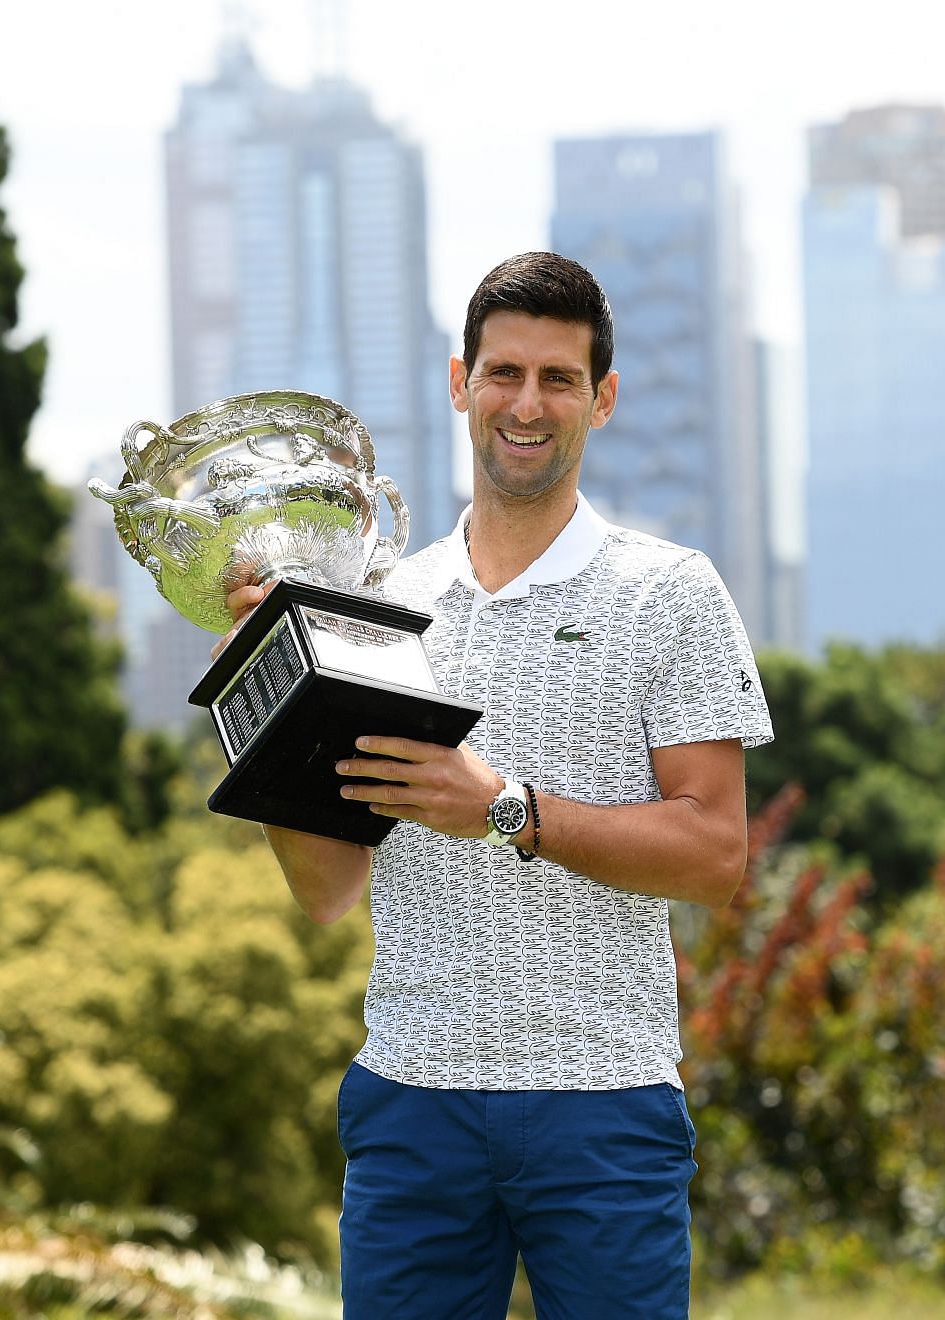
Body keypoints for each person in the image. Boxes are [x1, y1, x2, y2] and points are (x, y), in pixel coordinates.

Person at [221, 251, 772, 1317]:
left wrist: (506, 810)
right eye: (504, 373)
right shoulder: (377, 602)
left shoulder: (671, 594)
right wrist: (266, 699)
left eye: (558, 379)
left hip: (604, 1104)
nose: (527, 404)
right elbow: (327, 887)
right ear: (459, 382)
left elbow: (716, 859)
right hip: (412, 1107)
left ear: (601, 400)